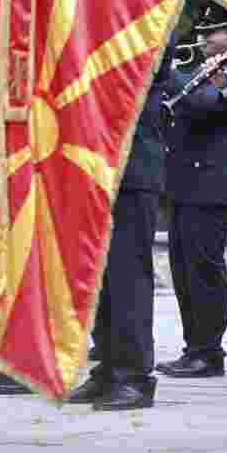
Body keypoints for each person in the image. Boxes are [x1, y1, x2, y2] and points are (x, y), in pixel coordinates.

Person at [63, 37, 174, 411]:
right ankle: (109, 368)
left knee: (127, 275)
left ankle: (135, 376)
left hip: (131, 164)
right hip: (93, 163)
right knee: (98, 277)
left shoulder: (152, 8)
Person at [157, 1, 227, 379]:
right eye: (202, 33)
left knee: (204, 271)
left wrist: (178, 78)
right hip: (184, 183)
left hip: (212, 185)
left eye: (213, 33)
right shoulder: (198, 70)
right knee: (182, 270)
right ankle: (193, 346)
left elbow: (207, 106)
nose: (204, 39)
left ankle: (209, 352)